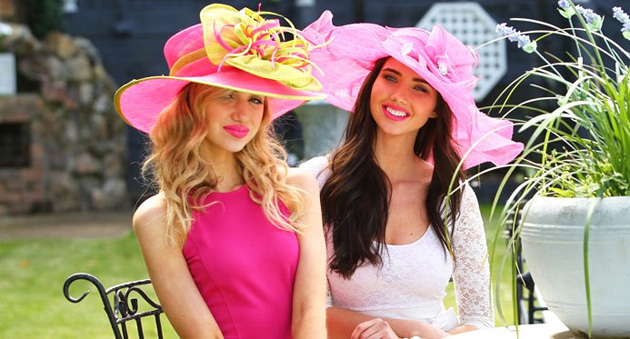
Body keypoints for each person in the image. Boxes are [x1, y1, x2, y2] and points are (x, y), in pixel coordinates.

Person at [299, 12, 524, 339]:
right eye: (390, 77)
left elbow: (479, 319)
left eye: (420, 87)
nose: (399, 96)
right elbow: (312, 310)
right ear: (371, 84)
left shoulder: (453, 193)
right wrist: (411, 330)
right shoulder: (318, 180)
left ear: (436, 107)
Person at [114, 4, 328, 338]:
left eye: (256, 100)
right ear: (192, 106)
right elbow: (204, 335)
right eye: (227, 96)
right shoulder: (160, 217)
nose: (243, 114)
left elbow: (311, 309)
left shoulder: (296, 188)